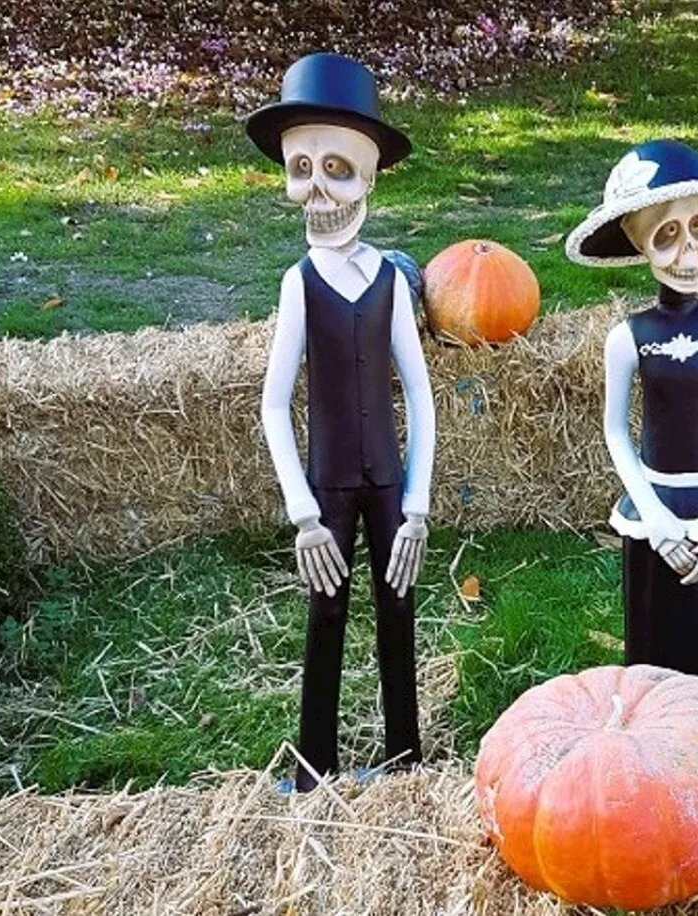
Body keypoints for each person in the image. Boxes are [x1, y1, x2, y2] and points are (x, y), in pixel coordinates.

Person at [247, 53, 435, 790]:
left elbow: (419, 395)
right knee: (325, 620)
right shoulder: (298, 286)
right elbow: (272, 403)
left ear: (372, 177)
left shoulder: (392, 280)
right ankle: (312, 766)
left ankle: (405, 759)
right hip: (326, 488)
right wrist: (303, 515)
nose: (318, 191)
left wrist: (416, 507)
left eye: (338, 169)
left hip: (389, 484)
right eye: (301, 169)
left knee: (399, 615)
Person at [565, 139, 698, 704]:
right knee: (657, 647)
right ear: (640, 246)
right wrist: (655, 520)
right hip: (653, 509)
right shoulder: (626, 337)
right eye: (666, 236)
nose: (688, 255)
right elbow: (616, 432)